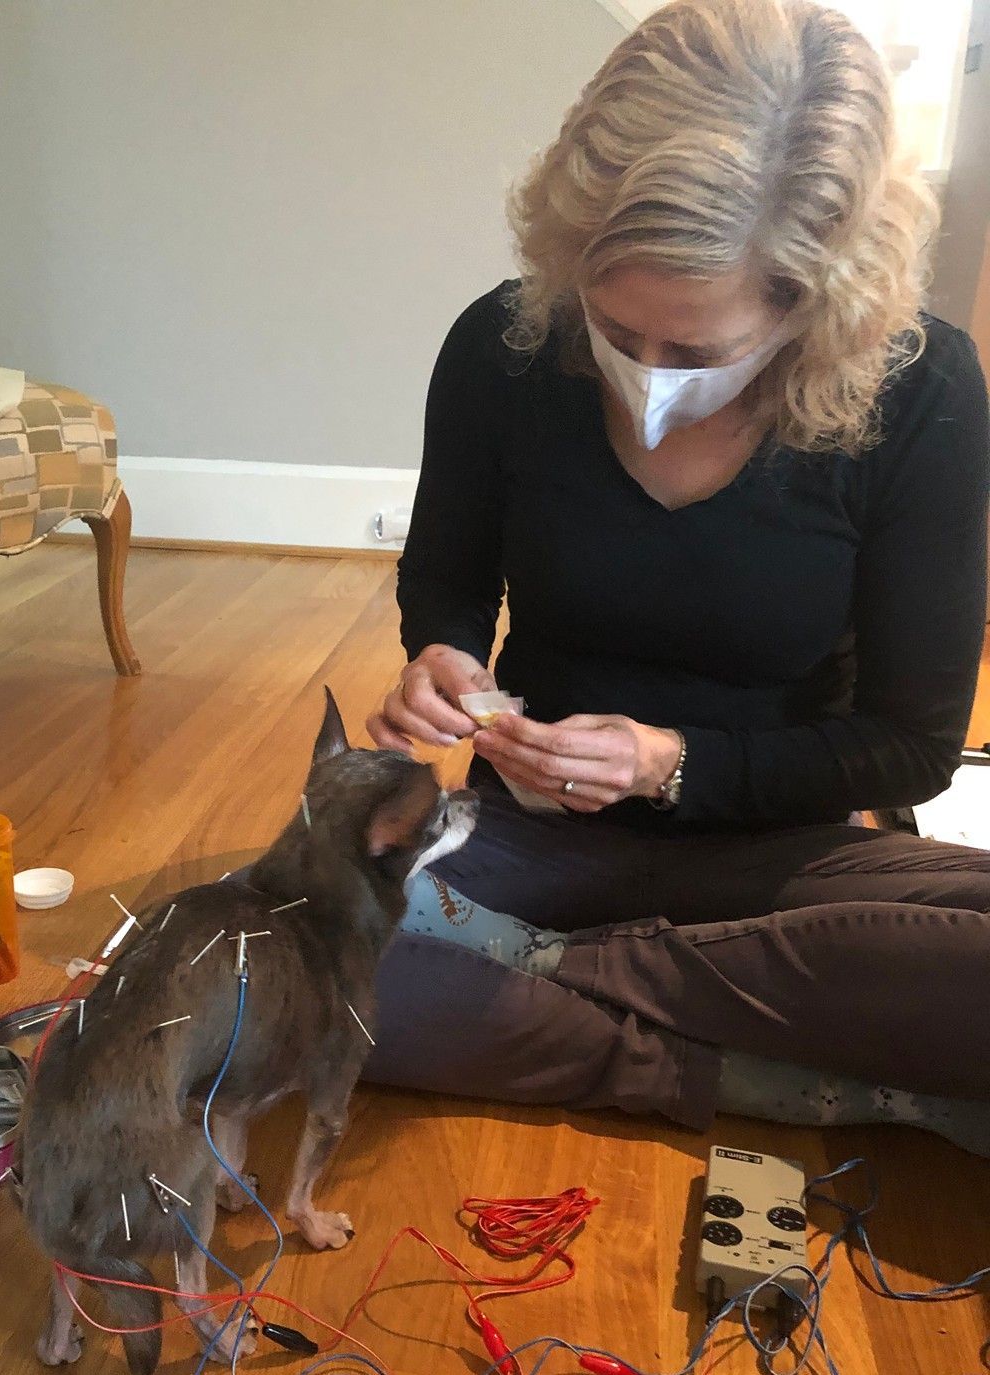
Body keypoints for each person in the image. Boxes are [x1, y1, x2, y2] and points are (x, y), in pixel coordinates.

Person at [360, 0, 990, 1153]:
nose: (646, 376)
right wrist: (443, 659)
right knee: (299, 942)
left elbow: (911, 745)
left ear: (816, 297)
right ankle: (748, 1062)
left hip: (779, 851)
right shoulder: (501, 347)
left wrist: (670, 763)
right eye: (611, 327)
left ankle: (549, 984)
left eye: (697, 351)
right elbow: (445, 578)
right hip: (534, 835)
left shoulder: (924, 392)